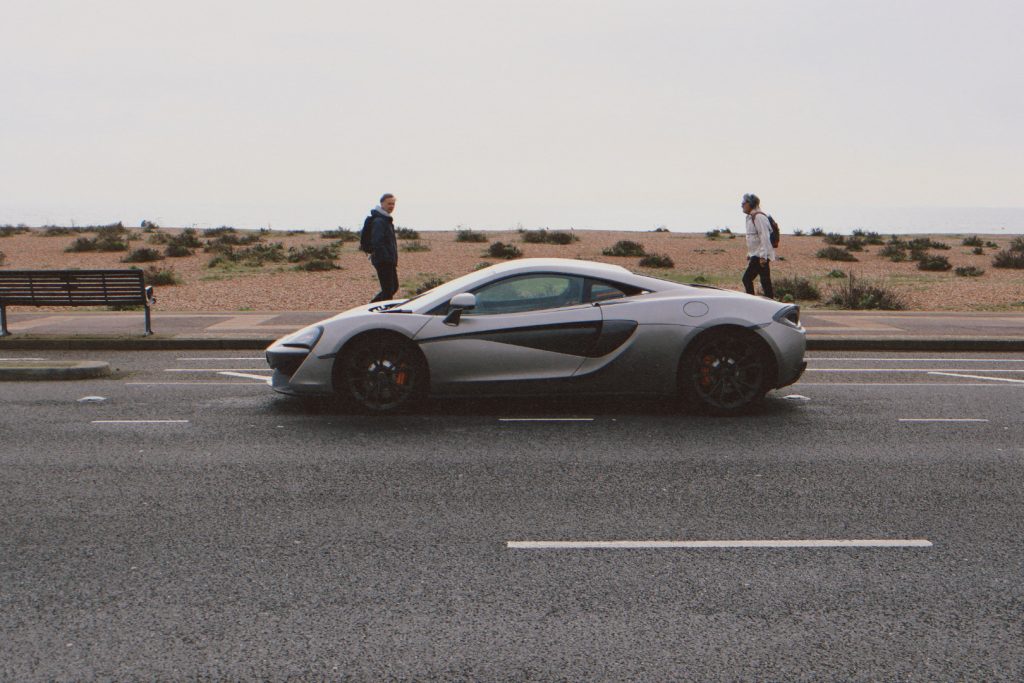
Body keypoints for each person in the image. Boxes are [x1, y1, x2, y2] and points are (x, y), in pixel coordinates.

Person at [740, 193, 775, 299]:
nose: (742, 205)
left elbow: (764, 236)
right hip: (756, 255)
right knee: (765, 281)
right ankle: (771, 304)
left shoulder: (758, 217)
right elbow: (754, 238)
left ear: (750, 204)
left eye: (743, 203)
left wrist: (763, 256)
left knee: (747, 279)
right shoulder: (750, 217)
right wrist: (750, 253)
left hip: (760, 255)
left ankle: (752, 303)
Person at [367, 193, 399, 303]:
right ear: (382, 204)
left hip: (388, 260)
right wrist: (386, 257)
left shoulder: (386, 219)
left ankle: (372, 307)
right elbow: (377, 241)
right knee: (388, 290)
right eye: (389, 203)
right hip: (383, 260)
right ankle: (376, 311)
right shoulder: (379, 221)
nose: (391, 206)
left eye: (393, 204)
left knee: (393, 287)